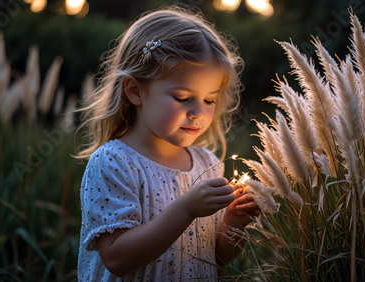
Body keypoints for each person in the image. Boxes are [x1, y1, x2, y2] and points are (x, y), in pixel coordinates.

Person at [75, 5, 259, 281]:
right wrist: (186, 209)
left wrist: (234, 223)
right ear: (135, 91)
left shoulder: (207, 164)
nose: (198, 111)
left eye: (210, 100)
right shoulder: (113, 162)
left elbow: (213, 258)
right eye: (183, 98)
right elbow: (116, 258)